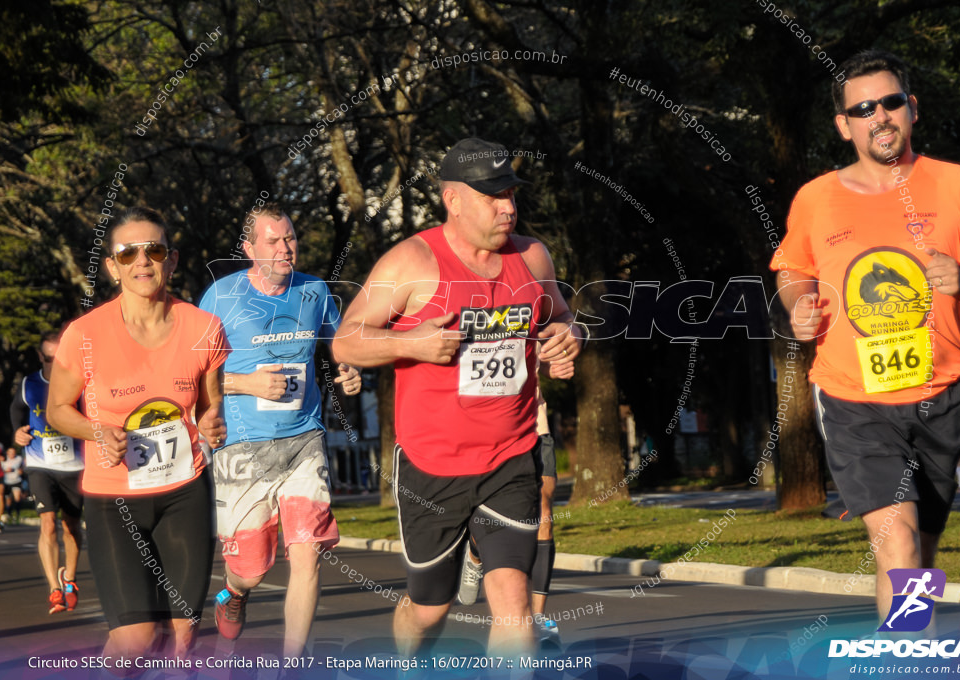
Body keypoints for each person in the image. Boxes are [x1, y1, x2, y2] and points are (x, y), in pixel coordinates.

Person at [771, 50, 960, 622]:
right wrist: (798, 304)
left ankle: (911, 642)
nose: (879, 115)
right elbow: (792, 268)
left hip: (941, 394)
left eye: (890, 102)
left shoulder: (959, 185)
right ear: (844, 125)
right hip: (853, 400)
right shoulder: (816, 197)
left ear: (912, 109)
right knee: (899, 547)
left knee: (922, 552)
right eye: (863, 108)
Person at [332, 137, 583, 656]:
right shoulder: (412, 262)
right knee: (429, 608)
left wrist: (567, 335)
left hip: (510, 457)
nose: (508, 207)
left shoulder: (533, 257)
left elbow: (559, 313)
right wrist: (411, 343)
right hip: (433, 468)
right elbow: (346, 337)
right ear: (453, 199)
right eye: (493, 197)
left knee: (514, 601)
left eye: (511, 194)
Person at [47, 207, 229, 662]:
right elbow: (56, 410)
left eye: (155, 250)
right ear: (112, 266)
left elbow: (210, 405)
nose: (142, 261)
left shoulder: (203, 327)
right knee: (136, 642)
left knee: (181, 640)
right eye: (129, 253)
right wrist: (96, 429)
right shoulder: (85, 336)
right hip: (114, 499)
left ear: (171, 260)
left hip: (185, 491)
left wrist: (212, 421)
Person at [198, 202, 361, 657]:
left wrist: (348, 370)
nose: (286, 249)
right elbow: (191, 374)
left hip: (304, 438)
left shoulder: (314, 291)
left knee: (307, 551)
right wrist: (245, 382)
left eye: (290, 238)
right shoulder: (221, 297)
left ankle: (294, 663)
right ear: (250, 248)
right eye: (274, 241)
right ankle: (236, 591)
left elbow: (338, 344)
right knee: (251, 568)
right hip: (242, 446)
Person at [457, 390, 563, 645]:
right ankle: (475, 553)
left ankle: (537, 621)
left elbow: (557, 359)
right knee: (484, 514)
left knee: (544, 511)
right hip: (484, 429)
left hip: (533, 425)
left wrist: (571, 349)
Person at [11, 330, 85, 614]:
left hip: (74, 465)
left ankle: (70, 579)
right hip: (40, 463)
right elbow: (16, 410)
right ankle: (55, 588)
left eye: (60, 357)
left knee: (70, 526)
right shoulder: (29, 383)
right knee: (48, 524)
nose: (56, 363)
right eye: (50, 358)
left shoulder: (78, 381)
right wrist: (17, 433)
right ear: (41, 356)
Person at [1, 447, 25, 523]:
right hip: (7, 481)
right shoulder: (3, 460)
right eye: (10, 452)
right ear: (7, 453)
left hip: (16, 481)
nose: (12, 454)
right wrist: (5, 470)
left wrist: (21, 471)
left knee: (17, 498)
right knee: (8, 500)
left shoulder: (19, 458)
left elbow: (20, 467)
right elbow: (0, 469)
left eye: (13, 452)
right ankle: (9, 515)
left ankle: (17, 516)